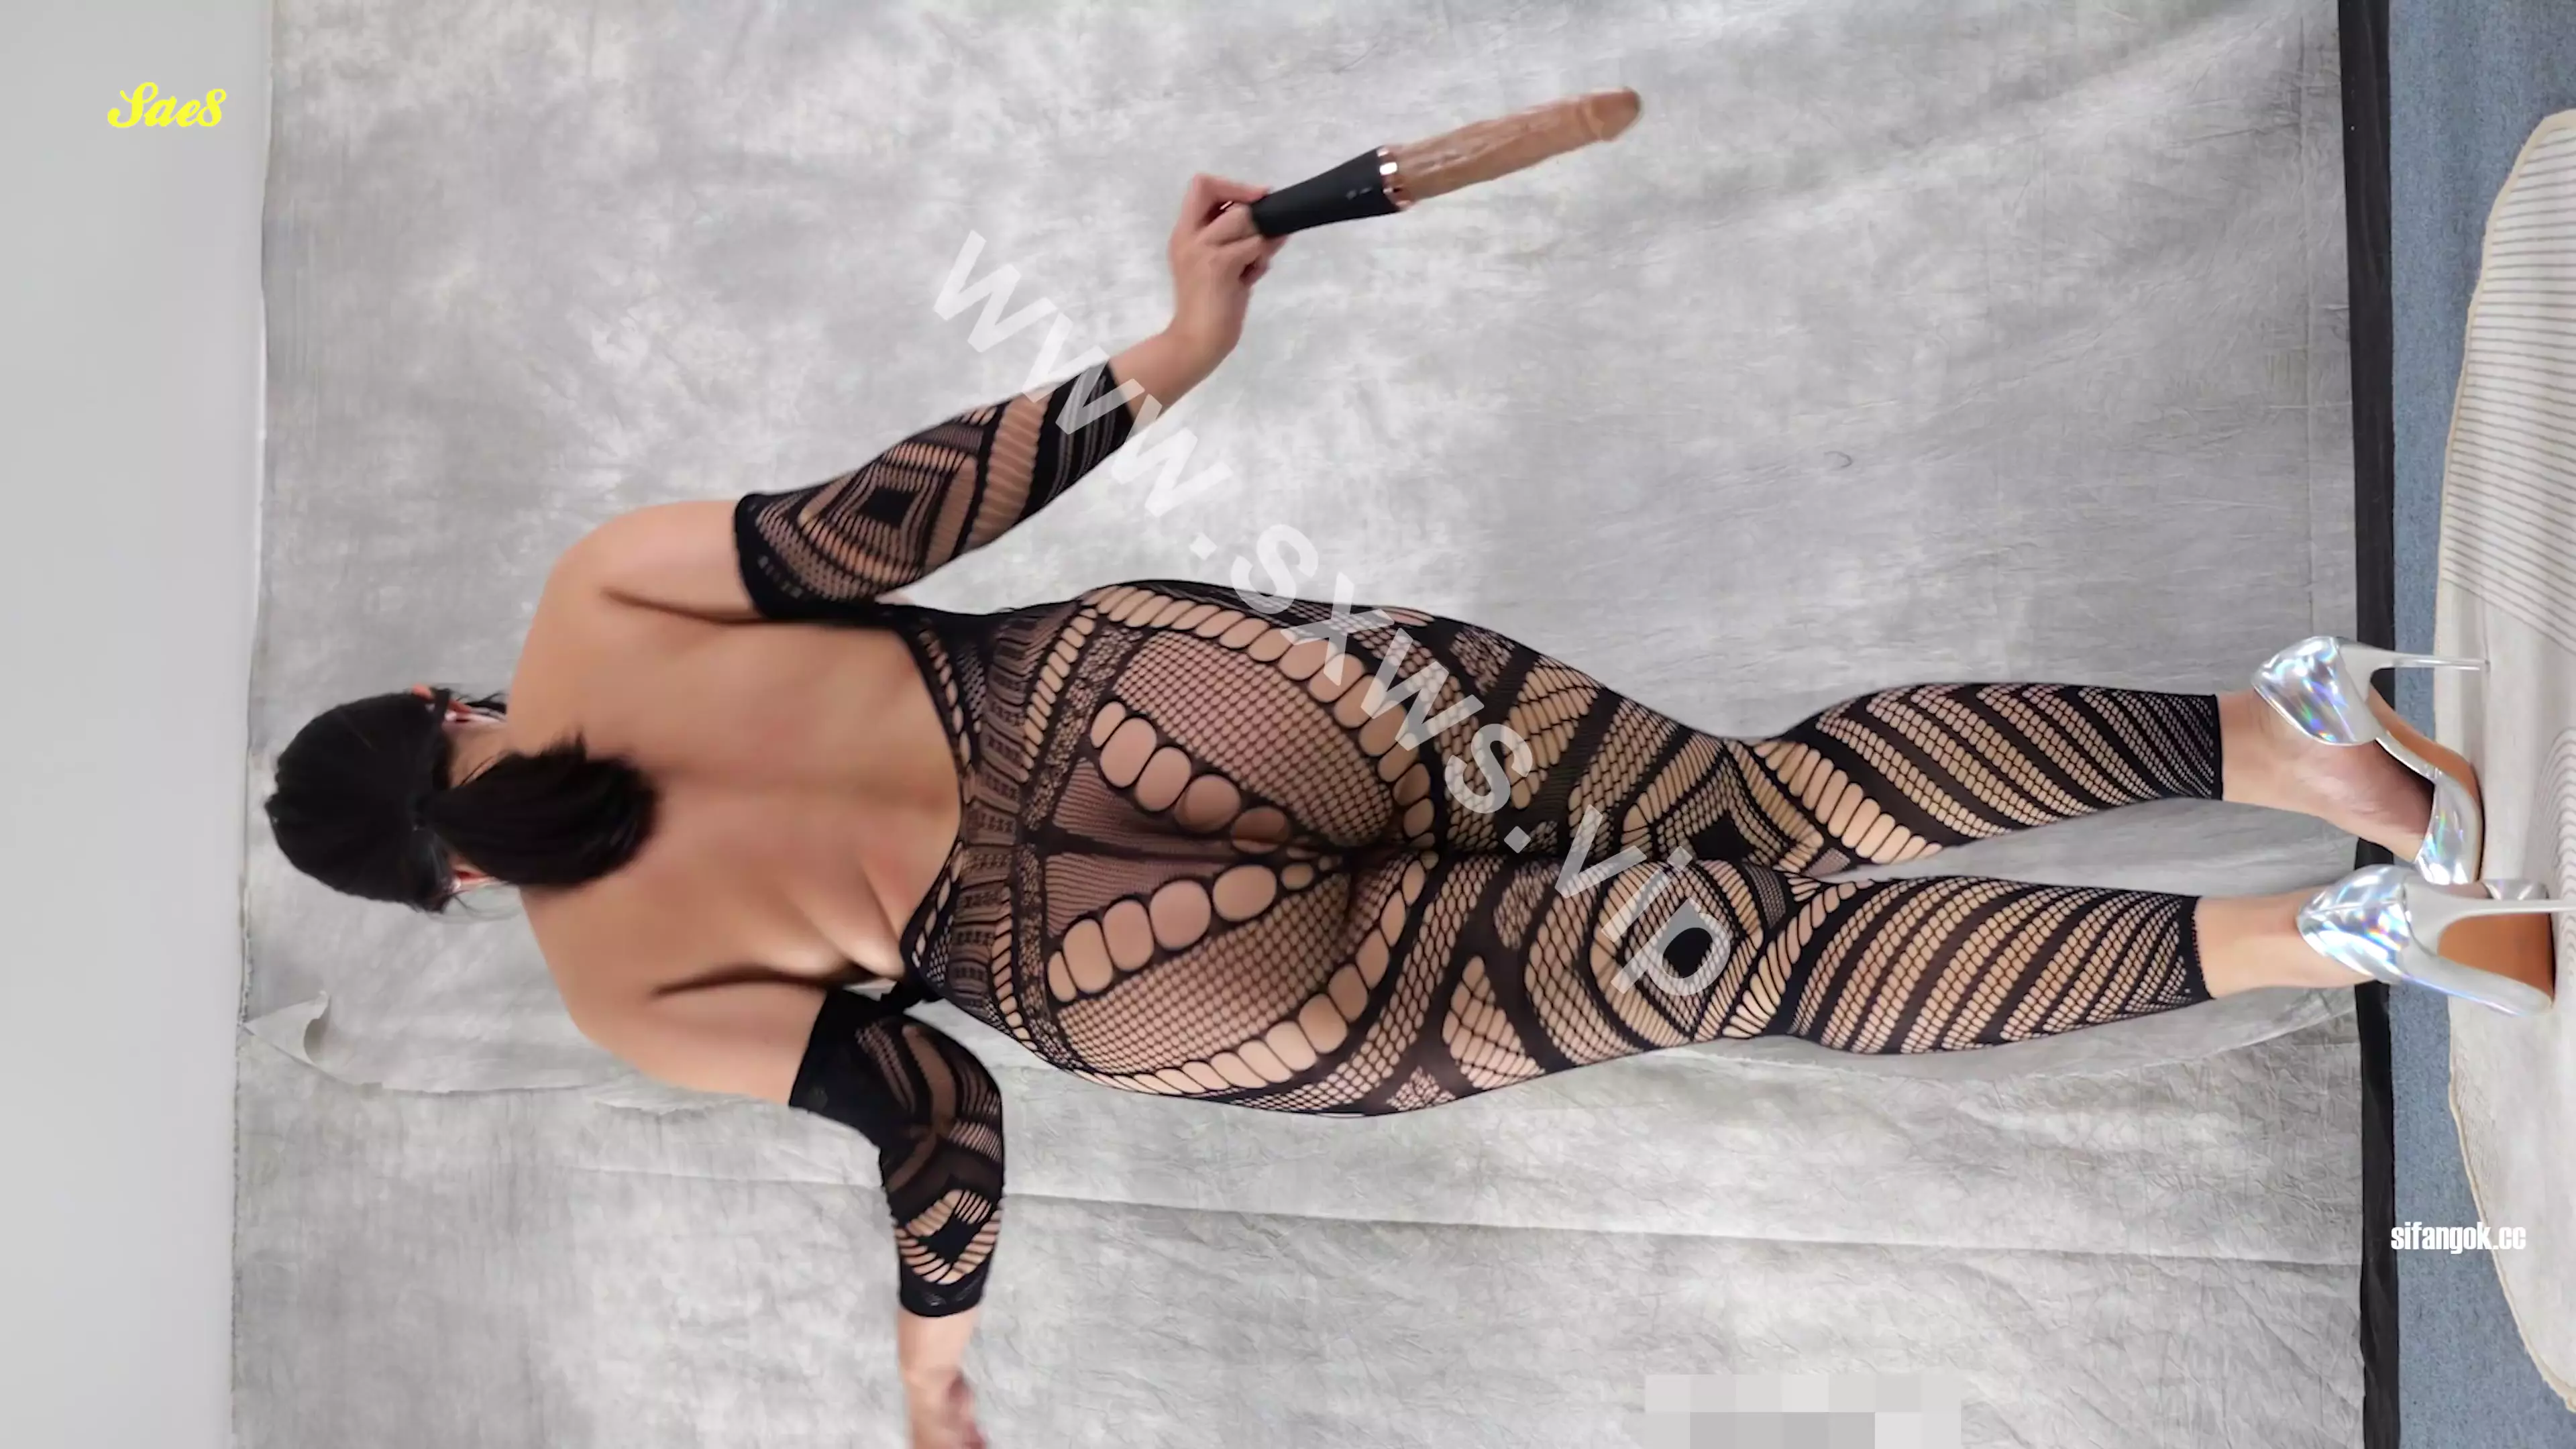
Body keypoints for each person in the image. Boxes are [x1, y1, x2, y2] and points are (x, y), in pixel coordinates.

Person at [262, 174, 2565, 1449]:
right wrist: (1176, 346)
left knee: (1740, 957)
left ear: (444, 885)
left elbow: (934, 1115)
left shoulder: (620, 990)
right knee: (1746, 797)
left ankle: (2337, 943)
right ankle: (2290, 749)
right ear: (447, 707)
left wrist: (933, 1358)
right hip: (1187, 708)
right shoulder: (601, 596)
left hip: (1172, 990)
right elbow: (904, 511)